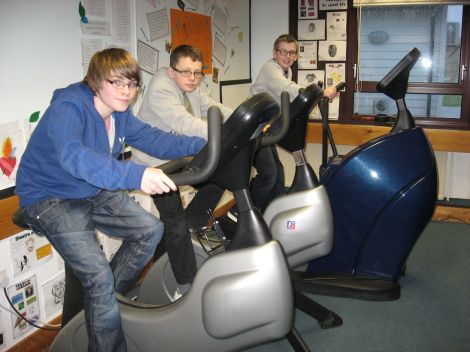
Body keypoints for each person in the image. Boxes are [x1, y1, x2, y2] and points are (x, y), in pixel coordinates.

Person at [15, 47, 206, 352]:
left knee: (150, 231)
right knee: (98, 279)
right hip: (49, 197)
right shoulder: (69, 108)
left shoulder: (119, 113)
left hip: (87, 189)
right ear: (95, 81)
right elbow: (74, 156)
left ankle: (103, 300)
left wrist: (209, 142)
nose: (126, 91)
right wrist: (137, 175)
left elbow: (156, 138)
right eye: (116, 83)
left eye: (131, 84)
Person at [131, 45, 233, 298]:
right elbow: (183, 122)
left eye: (198, 73)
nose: (193, 78)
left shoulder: (192, 88)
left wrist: (243, 120)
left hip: (180, 159)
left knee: (220, 177)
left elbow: (214, 108)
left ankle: (190, 226)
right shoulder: (161, 89)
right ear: (171, 70)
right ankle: (187, 287)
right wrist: (223, 134)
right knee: (173, 218)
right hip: (155, 166)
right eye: (186, 72)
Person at [249, 34, 338, 211]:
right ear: (274, 53)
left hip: (265, 128)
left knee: (278, 174)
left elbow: (288, 98)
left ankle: (272, 212)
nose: (287, 56)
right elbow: (287, 89)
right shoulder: (271, 69)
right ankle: (245, 211)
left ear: (296, 56)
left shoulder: (286, 70)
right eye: (283, 51)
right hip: (252, 128)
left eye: (292, 53)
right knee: (269, 174)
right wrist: (319, 93)